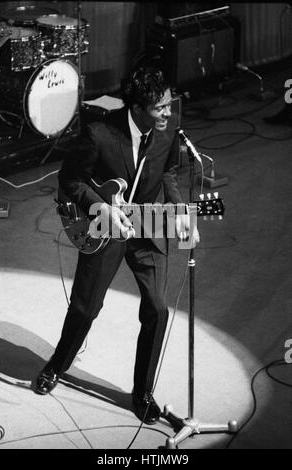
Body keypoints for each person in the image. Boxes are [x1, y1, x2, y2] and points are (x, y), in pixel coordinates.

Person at [35, 66, 200, 424]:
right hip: (105, 228)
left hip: (146, 225)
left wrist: (179, 210)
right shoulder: (98, 134)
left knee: (157, 309)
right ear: (138, 109)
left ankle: (142, 393)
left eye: (169, 106)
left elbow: (169, 173)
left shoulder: (167, 130)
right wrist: (101, 208)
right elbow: (70, 180)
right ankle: (56, 365)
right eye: (161, 108)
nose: (168, 113)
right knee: (85, 308)